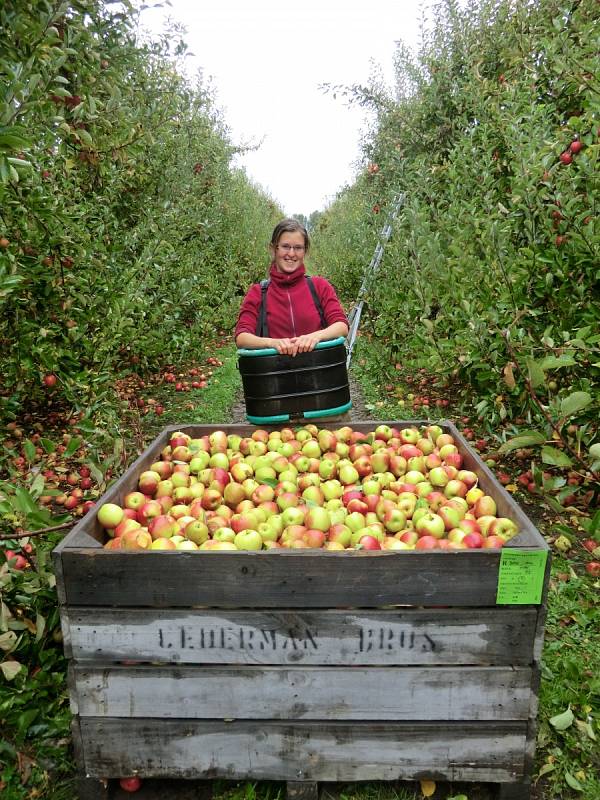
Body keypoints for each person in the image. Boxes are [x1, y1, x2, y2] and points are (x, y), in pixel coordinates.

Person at [235, 219, 349, 356]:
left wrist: (316, 336)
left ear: (305, 251)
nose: (291, 253)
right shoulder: (258, 293)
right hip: (275, 373)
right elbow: (242, 337)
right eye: (285, 246)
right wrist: (272, 343)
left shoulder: (320, 286)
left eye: (298, 247)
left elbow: (341, 326)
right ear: (273, 249)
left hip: (318, 371)